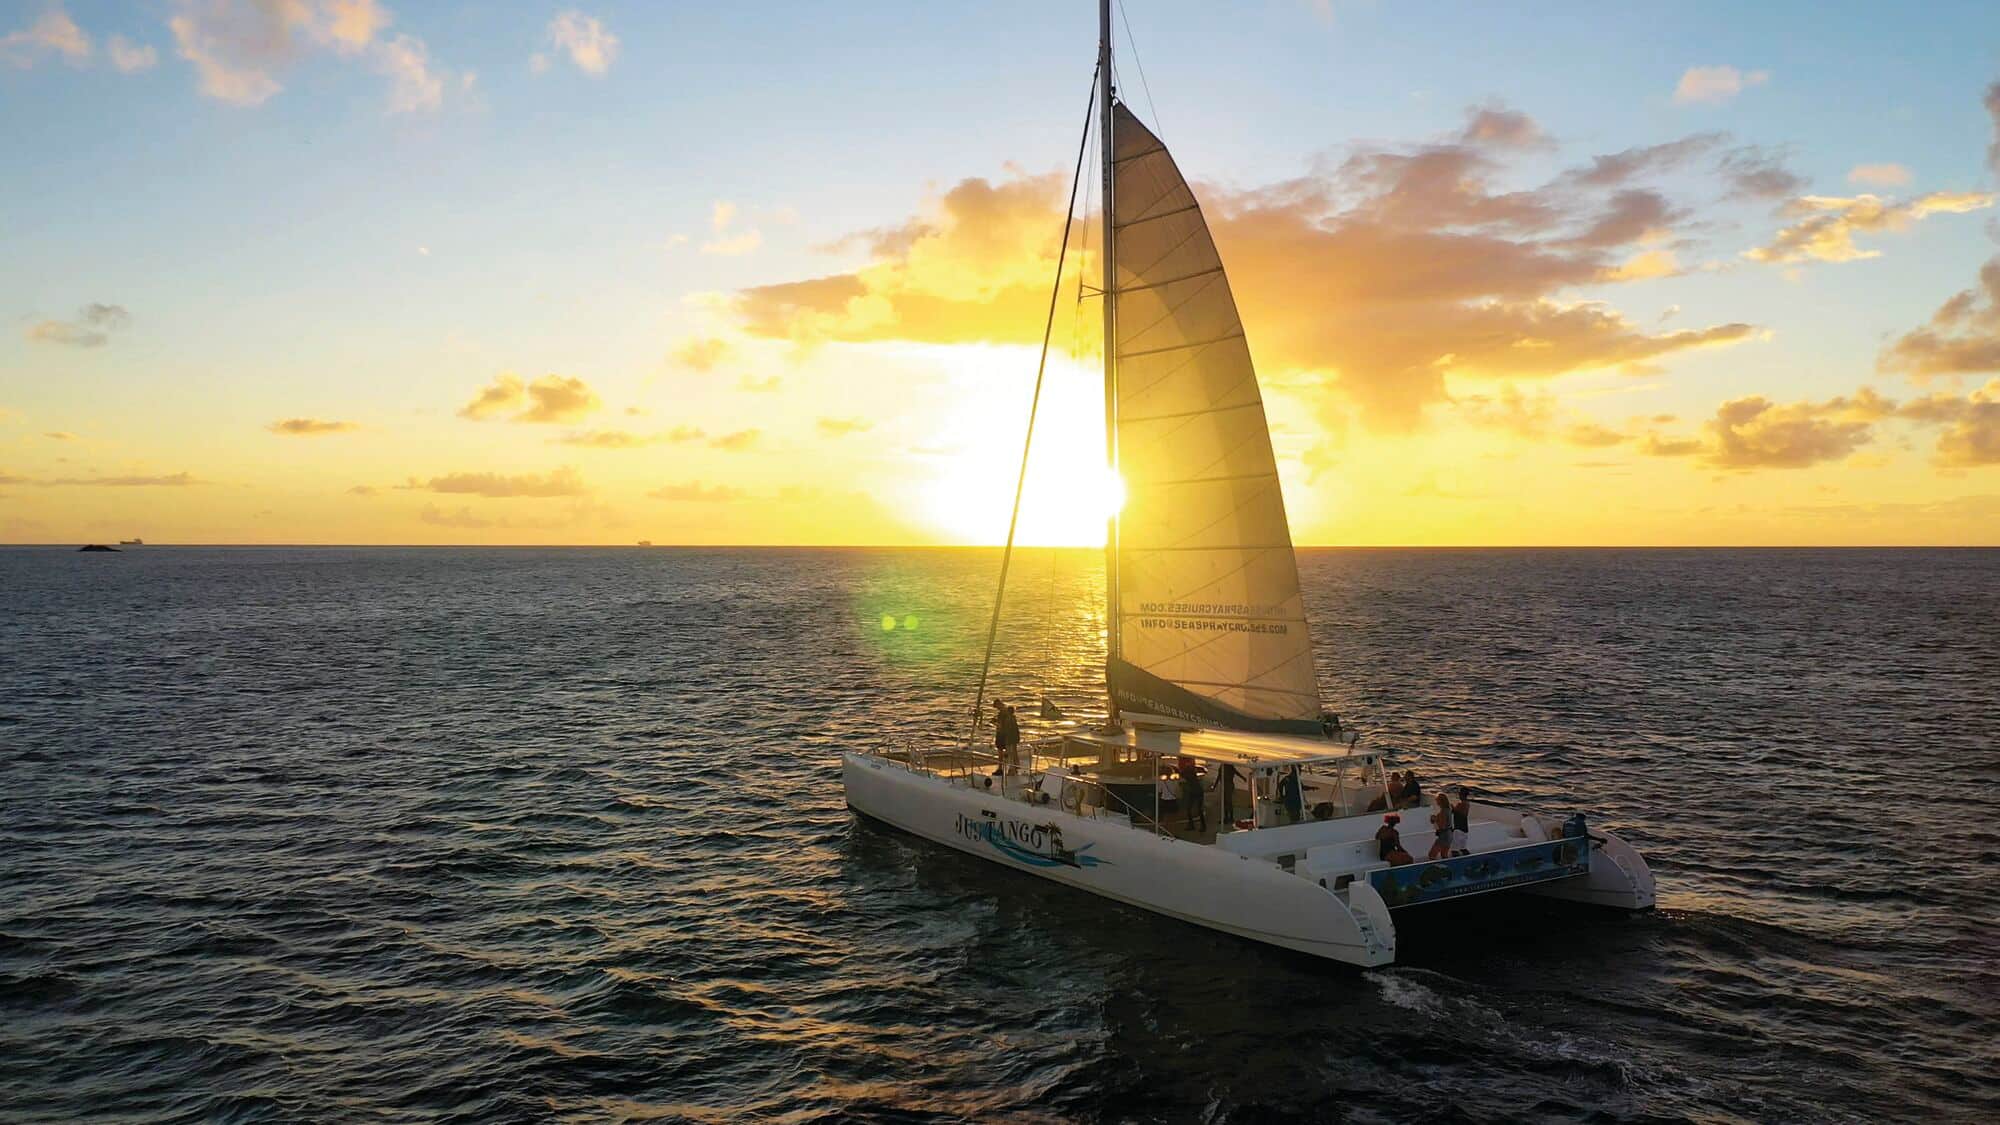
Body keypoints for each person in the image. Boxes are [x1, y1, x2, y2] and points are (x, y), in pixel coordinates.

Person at [1178, 757, 1207, 832]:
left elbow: (1181, 776)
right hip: (1194, 791)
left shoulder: (1186, 772)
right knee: (1192, 809)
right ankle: (1197, 825)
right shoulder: (1190, 771)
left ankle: (1199, 825)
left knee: (1195, 809)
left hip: (1196, 791)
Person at [992, 700, 1021, 774]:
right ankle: (1014, 767)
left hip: (1004, 735)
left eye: (997, 706)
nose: (997, 708)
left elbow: (1002, 726)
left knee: (1007, 752)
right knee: (1012, 751)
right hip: (1008, 735)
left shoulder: (1004, 714)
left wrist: (995, 722)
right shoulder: (1008, 714)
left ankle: (1008, 768)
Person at [1427, 792, 1454, 860]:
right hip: (1449, 834)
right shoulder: (1448, 809)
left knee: (1432, 854)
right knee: (1444, 855)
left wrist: (1435, 819)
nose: (1436, 801)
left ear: (1441, 801)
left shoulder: (1443, 811)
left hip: (1444, 835)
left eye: (1437, 799)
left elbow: (1442, 826)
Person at [1450, 787, 1472, 857]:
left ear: (1462, 795)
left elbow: (1455, 812)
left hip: (1458, 826)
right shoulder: (1467, 803)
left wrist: (1452, 807)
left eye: (1460, 794)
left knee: (1455, 848)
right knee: (1463, 846)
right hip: (1464, 826)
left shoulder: (1461, 804)